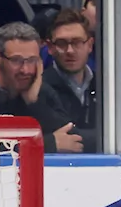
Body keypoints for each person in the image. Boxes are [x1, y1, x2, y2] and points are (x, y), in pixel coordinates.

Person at [0, 22, 83, 154]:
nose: (25, 70)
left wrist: (34, 102)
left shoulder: (39, 90)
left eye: (32, 60)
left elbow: (71, 138)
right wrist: (45, 144)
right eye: (16, 60)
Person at [42, 9, 100, 152]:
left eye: (77, 42)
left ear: (90, 45)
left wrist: (78, 137)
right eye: (62, 43)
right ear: (50, 47)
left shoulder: (107, 87)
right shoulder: (39, 88)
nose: (70, 51)